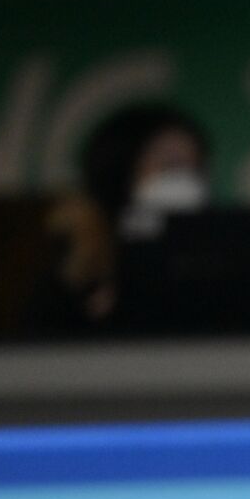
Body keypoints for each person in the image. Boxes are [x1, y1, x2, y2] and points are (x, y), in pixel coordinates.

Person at [25, 102, 212, 335]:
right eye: (171, 166)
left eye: (195, 168)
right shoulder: (76, 253)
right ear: (121, 169)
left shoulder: (210, 257)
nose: (186, 180)